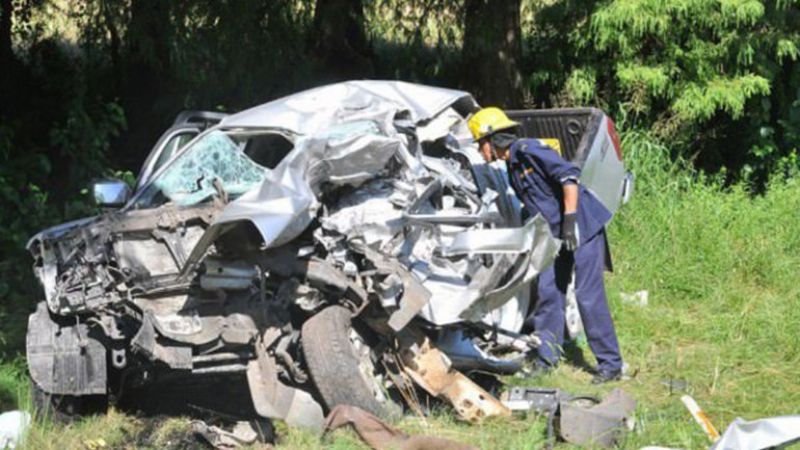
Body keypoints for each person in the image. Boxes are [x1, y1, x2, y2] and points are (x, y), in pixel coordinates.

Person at [467, 107, 623, 383]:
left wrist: (571, 222)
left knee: (588, 294)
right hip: (555, 234)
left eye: (481, 144)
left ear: (492, 139)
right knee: (549, 292)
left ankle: (610, 365)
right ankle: (547, 358)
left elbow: (569, 179)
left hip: (582, 226)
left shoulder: (528, 150)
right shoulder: (512, 165)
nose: (481, 152)